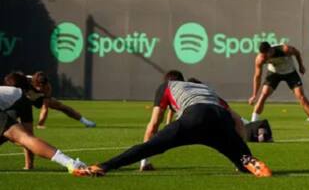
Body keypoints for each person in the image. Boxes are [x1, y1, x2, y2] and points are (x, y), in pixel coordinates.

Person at [83, 70, 271, 177]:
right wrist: (242, 150)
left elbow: (154, 124)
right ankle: (250, 162)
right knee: (242, 162)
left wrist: (145, 163)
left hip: (195, 116)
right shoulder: (204, 88)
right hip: (219, 118)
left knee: (150, 146)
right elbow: (236, 120)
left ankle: (104, 166)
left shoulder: (166, 86)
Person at [1, 73, 92, 175]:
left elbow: (45, 106)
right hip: (18, 101)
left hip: (23, 101)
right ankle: (70, 163)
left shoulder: (40, 89)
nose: (40, 87)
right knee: (24, 138)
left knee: (23, 137)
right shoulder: (20, 93)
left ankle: (85, 123)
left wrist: (29, 165)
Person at [249, 41, 309, 132]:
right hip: (274, 73)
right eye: (262, 55)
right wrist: (254, 95)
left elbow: (297, 52)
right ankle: (252, 125)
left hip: (290, 72)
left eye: (265, 55)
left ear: (270, 50)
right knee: (263, 95)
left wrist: (301, 66)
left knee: (301, 96)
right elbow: (257, 76)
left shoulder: (285, 49)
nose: (264, 57)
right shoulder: (260, 58)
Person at [26, 71, 96, 129]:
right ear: (34, 81)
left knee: (61, 106)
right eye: (38, 85)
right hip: (25, 98)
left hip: (38, 99)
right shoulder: (25, 81)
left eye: (42, 86)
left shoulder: (47, 87)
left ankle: (86, 122)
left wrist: (40, 124)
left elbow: (44, 108)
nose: (40, 88)